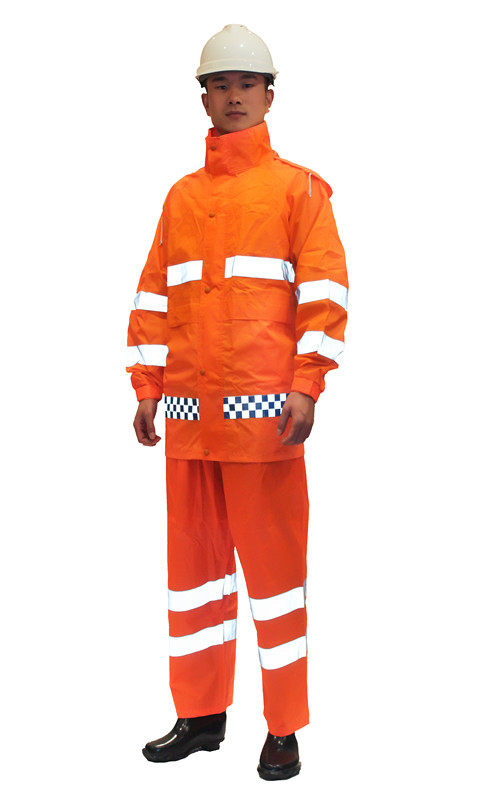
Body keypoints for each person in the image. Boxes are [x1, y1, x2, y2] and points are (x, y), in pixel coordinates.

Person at [126, 24, 348, 781]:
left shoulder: (298, 190)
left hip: (265, 423)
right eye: (219, 85)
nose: (232, 97)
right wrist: (147, 388)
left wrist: (308, 384)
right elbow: (153, 299)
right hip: (189, 421)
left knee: (276, 577)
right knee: (193, 575)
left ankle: (283, 727)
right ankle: (200, 715)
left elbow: (324, 294)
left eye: (245, 85)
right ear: (203, 97)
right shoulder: (181, 198)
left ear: (269, 96)